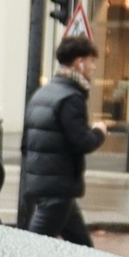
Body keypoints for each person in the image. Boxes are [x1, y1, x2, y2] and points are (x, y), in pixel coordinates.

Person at [18, 34, 107, 245]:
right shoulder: (71, 97)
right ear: (79, 63)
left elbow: (25, 143)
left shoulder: (43, 93)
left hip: (44, 182)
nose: (94, 67)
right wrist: (99, 132)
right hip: (57, 186)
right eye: (92, 61)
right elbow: (81, 141)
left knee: (82, 246)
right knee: (34, 247)